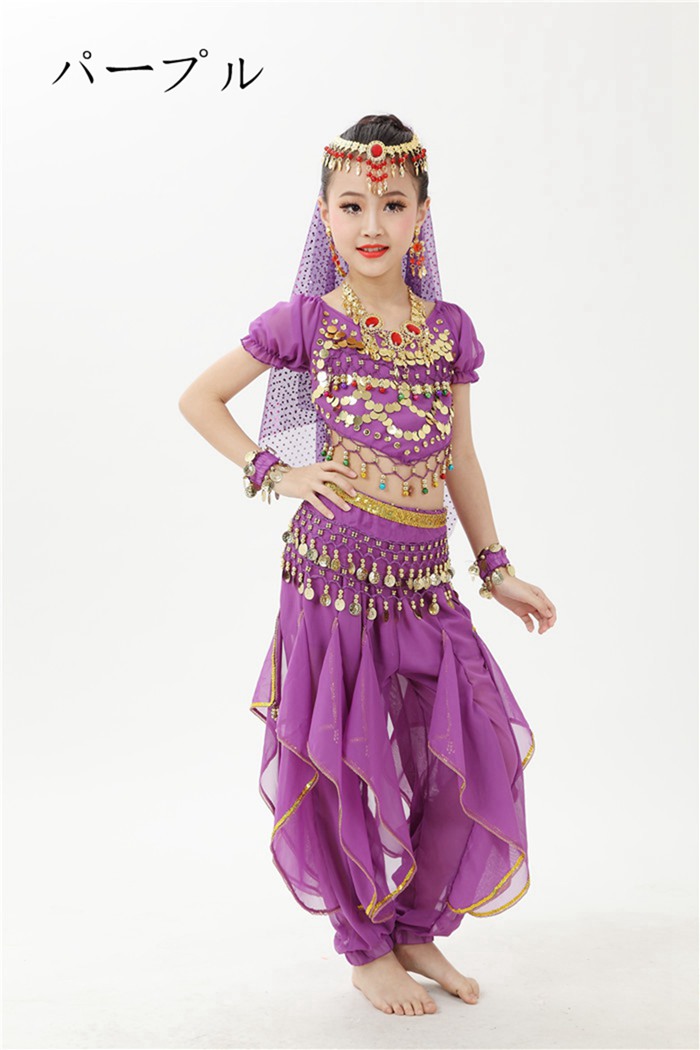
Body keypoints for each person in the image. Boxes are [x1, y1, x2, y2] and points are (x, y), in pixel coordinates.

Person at [178, 113, 557, 1018]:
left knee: (469, 748)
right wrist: (276, 471)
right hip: (332, 581)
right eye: (352, 205)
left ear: (422, 215)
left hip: (425, 581)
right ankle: (365, 946)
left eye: (392, 204)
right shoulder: (307, 322)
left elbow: (461, 457)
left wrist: (496, 568)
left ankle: (416, 925)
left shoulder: (448, 330)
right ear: (325, 216)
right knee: (346, 763)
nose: (372, 222)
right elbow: (200, 398)